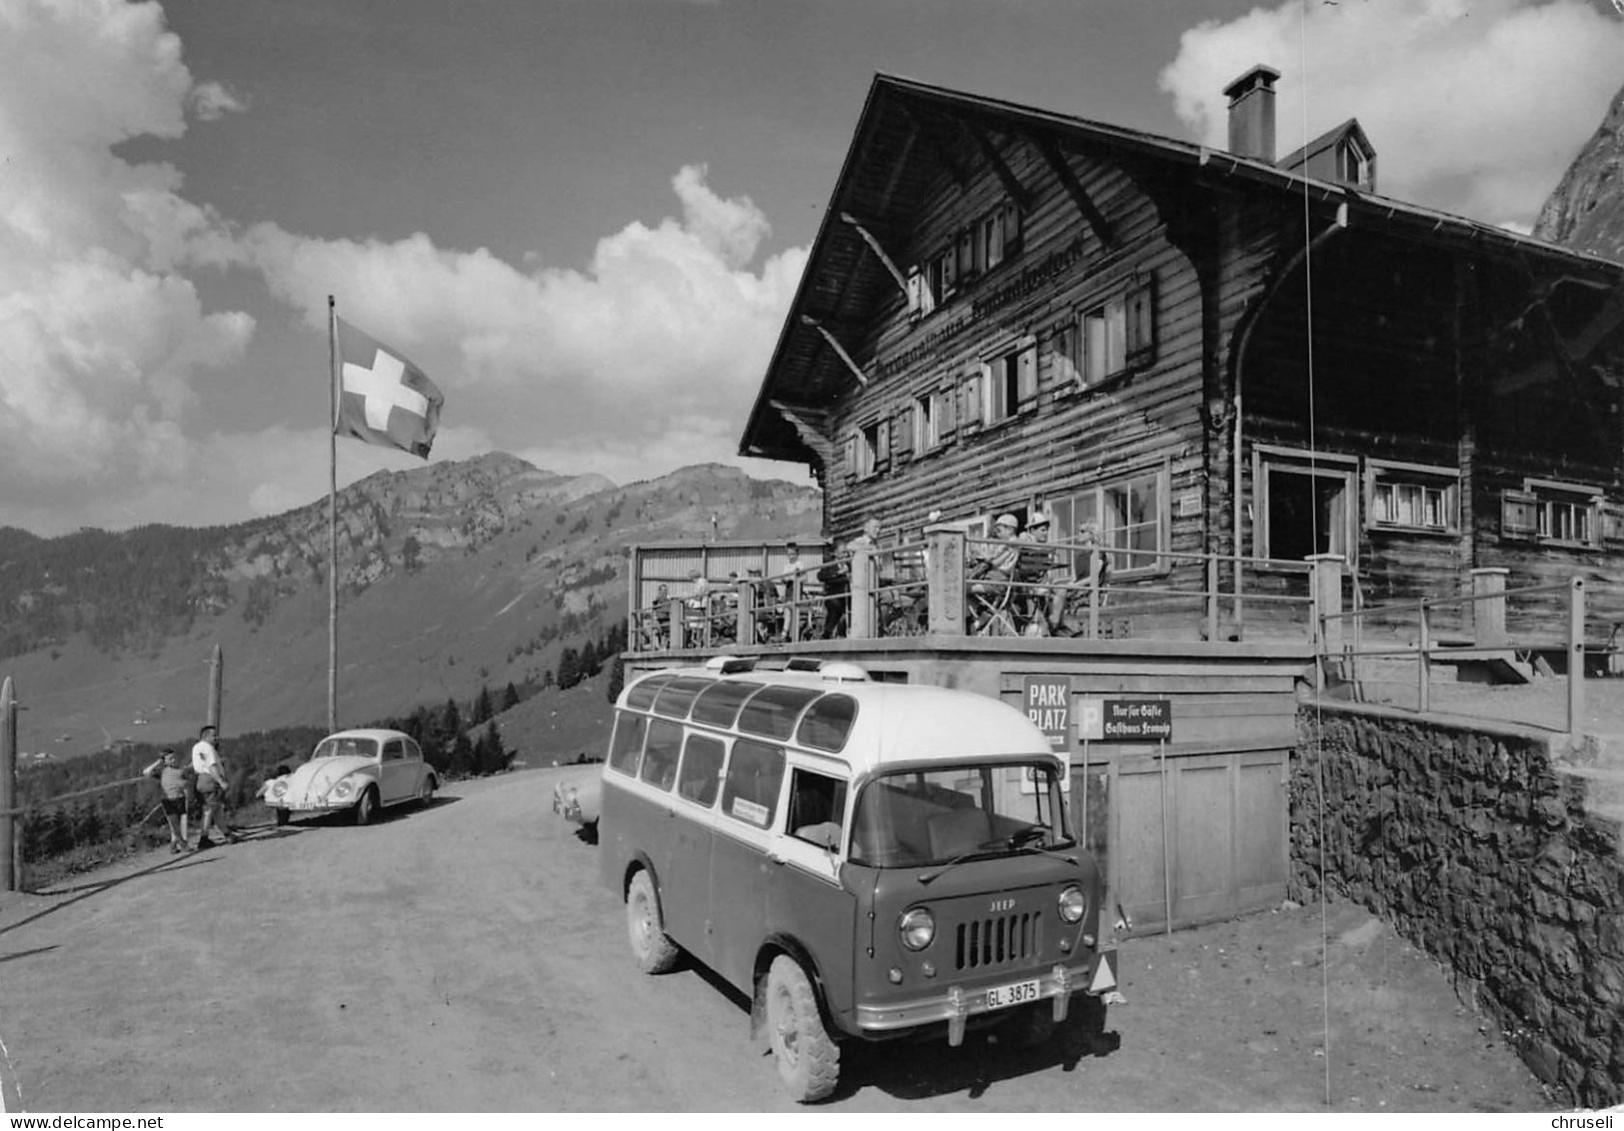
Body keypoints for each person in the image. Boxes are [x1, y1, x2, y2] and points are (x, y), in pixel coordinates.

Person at [190, 724, 239, 848]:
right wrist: (221, 781)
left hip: (201, 779)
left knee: (216, 809)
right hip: (210, 780)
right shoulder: (207, 748)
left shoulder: (196, 747)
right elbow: (211, 766)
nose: (216, 738)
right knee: (210, 810)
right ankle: (204, 838)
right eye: (214, 735)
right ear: (206, 736)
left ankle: (227, 834)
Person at [143, 747, 189, 853]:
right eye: (170, 759)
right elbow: (146, 772)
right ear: (164, 761)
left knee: (181, 823)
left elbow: (185, 783)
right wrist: (158, 762)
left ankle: (173, 846)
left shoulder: (180, 770)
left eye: (174, 758)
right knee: (174, 823)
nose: (174, 760)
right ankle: (183, 844)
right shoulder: (162, 772)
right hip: (168, 800)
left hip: (180, 798)